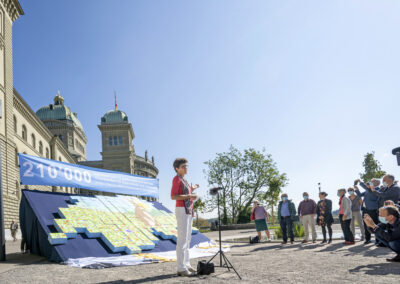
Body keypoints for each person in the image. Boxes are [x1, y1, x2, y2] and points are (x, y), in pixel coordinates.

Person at [170, 158, 199, 277]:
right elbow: (173, 196)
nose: (186, 168)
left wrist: (192, 189)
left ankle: (186, 264)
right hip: (181, 209)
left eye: (186, 166)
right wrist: (190, 195)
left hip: (188, 209)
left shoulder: (184, 180)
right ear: (177, 168)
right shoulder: (176, 179)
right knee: (182, 239)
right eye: (183, 166)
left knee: (187, 239)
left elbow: (185, 193)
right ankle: (181, 268)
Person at [354, 179, 380, 244]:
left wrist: (360, 182)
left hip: (373, 210)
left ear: (377, 183)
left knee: (375, 224)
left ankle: (378, 240)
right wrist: (356, 189)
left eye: (372, 181)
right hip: (365, 210)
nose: (370, 182)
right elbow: (360, 195)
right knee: (366, 224)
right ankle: (368, 239)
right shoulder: (367, 191)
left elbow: (370, 190)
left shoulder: (377, 189)